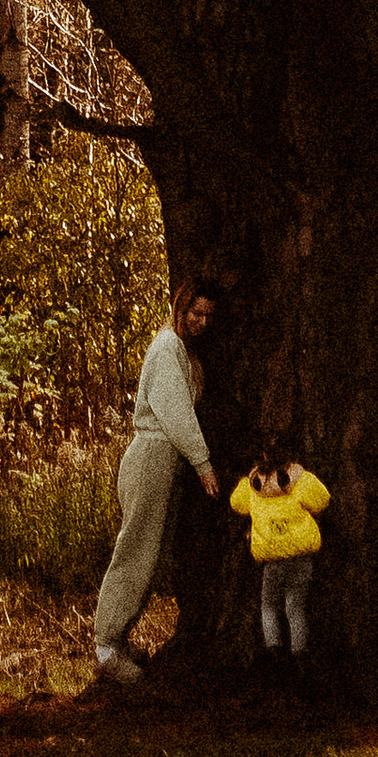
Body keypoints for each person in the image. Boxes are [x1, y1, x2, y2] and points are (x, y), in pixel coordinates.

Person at [94, 285, 220, 686]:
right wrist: (203, 463)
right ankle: (105, 646)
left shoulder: (185, 352)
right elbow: (176, 413)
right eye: (195, 313)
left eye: (207, 316)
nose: (201, 322)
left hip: (164, 464)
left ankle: (118, 639)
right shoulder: (167, 347)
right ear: (180, 309)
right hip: (151, 459)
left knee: (150, 556)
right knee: (135, 553)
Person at [229, 440, 331, 678]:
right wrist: (301, 474)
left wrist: (248, 479)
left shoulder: (254, 485)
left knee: (269, 604)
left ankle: (273, 648)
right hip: (300, 555)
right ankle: (299, 653)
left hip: (272, 558)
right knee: (295, 605)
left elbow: (236, 503)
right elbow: (322, 499)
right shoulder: (299, 480)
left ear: (263, 455)